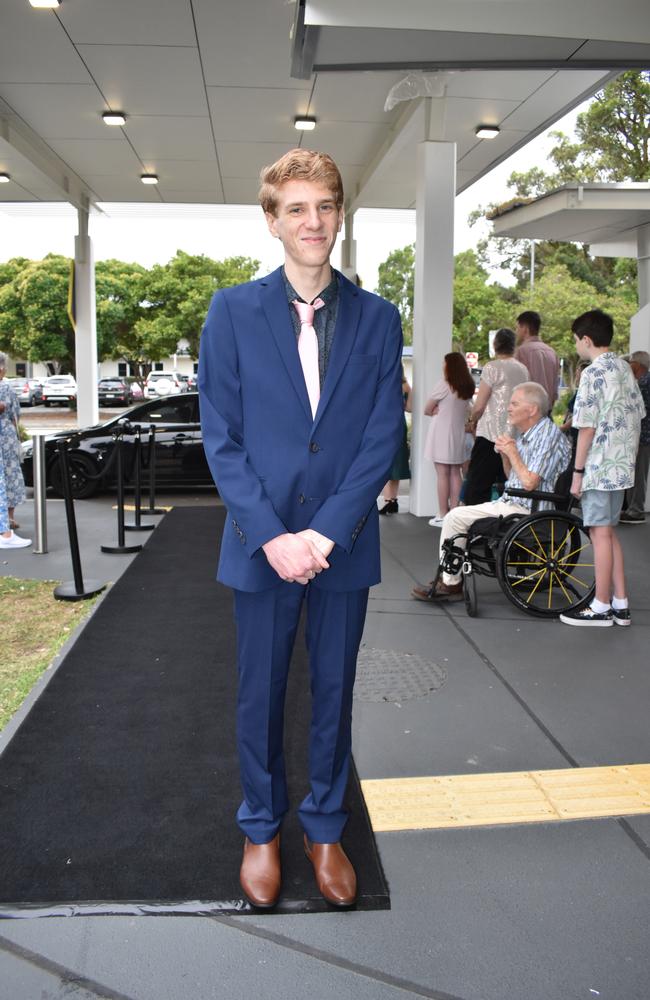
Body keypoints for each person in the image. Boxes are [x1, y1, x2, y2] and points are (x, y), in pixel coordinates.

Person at [198, 149, 404, 909]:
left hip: (340, 546)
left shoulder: (380, 319)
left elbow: (382, 438)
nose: (312, 221)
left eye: (324, 205)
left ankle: (324, 826)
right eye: (296, 208)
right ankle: (261, 828)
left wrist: (321, 536)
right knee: (260, 693)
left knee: (333, 691)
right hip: (261, 545)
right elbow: (220, 434)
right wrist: (274, 535)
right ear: (272, 220)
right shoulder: (231, 311)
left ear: (339, 213)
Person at [412, 382, 570, 602]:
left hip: (529, 508)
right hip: (516, 501)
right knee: (460, 513)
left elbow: (529, 483)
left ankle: (451, 583)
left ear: (532, 409)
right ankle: (450, 578)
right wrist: (506, 455)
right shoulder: (530, 434)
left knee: (454, 517)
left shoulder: (547, 435)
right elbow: (512, 477)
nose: (509, 408)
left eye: (514, 403)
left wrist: (513, 452)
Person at [559, 310, 644, 627]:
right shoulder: (624, 368)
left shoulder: (594, 373)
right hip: (622, 467)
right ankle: (620, 604)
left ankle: (601, 605)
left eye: (576, 341)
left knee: (599, 533)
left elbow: (585, 428)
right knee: (608, 533)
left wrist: (577, 473)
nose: (577, 346)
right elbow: (639, 415)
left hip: (598, 467)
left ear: (586, 339)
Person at [463, 328, 529, 504]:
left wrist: (471, 421)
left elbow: (479, 406)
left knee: (478, 485)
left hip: (491, 434)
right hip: (515, 434)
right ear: (513, 346)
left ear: (495, 345)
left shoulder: (492, 367)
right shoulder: (523, 369)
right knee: (510, 483)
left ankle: (475, 525)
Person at [423, 352, 475, 526]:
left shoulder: (445, 384)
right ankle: (454, 513)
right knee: (455, 472)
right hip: (458, 433)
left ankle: (442, 513)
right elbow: (470, 409)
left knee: (442, 474)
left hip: (441, 434)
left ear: (449, 366)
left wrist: (436, 409)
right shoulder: (467, 385)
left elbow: (427, 408)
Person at [0, 353, 31, 549]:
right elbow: (13, 414)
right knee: (7, 478)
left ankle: (7, 524)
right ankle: (6, 529)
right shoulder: (5, 387)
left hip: (6, 436)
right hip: (6, 437)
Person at [619, 350, 650, 524]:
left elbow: (635, 411)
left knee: (638, 474)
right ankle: (633, 508)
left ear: (637, 365)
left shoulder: (643, 384)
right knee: (637, 473)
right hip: (642, 437)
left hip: (642, 437)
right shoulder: (644, 382)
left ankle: (635, 510)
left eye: (630, 362)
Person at [378, 366, 412, 515]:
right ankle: (394, 500)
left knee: (384, 461)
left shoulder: (384, 383)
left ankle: (387, 500)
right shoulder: (406, 386)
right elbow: (409, 408)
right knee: (398, 461)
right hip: (400, 424)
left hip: (384, 424)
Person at [515, 310, 559, 411]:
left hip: (527, 411)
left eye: (517, 327)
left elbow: (517, 385)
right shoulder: (552, 352)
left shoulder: (522, 352)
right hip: (546, 411)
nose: (516, 331)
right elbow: (554, 389)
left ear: (525, 328)